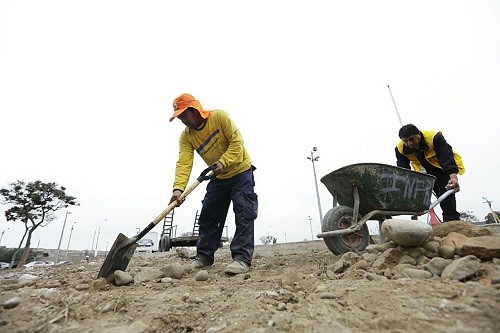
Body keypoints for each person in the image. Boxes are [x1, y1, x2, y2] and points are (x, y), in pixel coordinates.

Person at [169, 93, 258, 275]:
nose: (182, 121)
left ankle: (241, 258)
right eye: (179, 117)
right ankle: (204, 257)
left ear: (195, 110)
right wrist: (178, 189)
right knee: (208, 215)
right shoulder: (186, 137)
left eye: (184, 115)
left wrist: (224, 161)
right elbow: (184, 162)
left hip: (241, 171)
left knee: (244, 213)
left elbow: (237, 142)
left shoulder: (219, 117)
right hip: (218, 178)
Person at [395, 124, 465, 222]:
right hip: (424, 172)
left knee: (446, 192)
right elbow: (403, 168)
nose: (409, 143)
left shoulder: (434, 138)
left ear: (419, 134)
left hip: (440, 168)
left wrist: (453, 177)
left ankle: (451, 219)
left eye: (412, 139)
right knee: (435, 194)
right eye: (405, 141)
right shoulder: (400, 149)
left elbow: (446, 157)